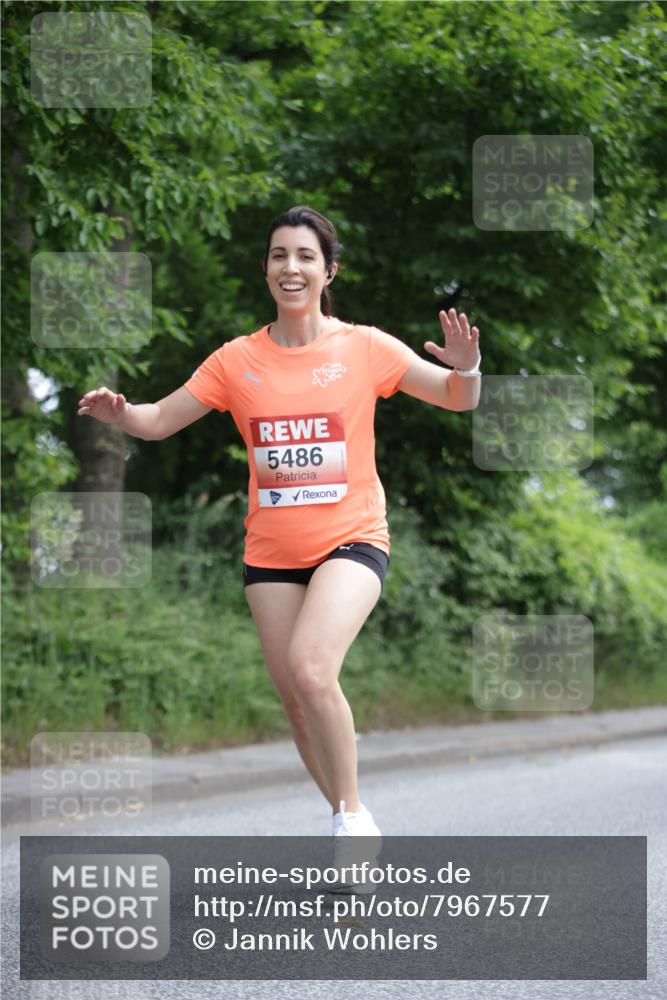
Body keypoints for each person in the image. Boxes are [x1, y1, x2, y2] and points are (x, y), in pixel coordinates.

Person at [77, 204, 481, 883]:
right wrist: (123, 414)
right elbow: (158, 419)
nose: (289, 267)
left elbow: (456, 399)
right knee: (295, 699)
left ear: (328, 271)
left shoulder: (365, 347)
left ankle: (351, 823)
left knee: (312, 668)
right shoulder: (238, 360)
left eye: (303, 256)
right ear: (266, 268)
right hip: (270, 554)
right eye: (277, 255)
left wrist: (466, 369)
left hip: (352, 538)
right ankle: (349, 821)